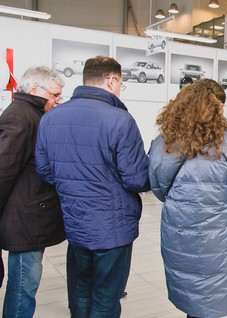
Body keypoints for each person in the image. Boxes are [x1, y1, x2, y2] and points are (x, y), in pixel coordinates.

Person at [35, 56, 150, 317]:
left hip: (75, 223)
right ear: (111, 80)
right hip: (113, 228)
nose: (120, 89)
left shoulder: (51, 118)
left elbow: (43, 170)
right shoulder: (121, 120)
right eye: (121, 83)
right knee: (106, 298)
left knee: (81, 292)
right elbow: (136, 179)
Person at [149, 79, 227, 318]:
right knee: (213, 298)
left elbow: (159, 190)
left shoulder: (163, 142)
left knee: (194, 298)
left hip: (179, 234)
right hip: (219, 239)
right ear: (217, 109)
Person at [0, 66, 67, 318]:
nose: (58, 101)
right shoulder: (21, 117)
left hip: (27, 215)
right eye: (55, 95)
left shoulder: (30, 113)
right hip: (25, 219)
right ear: (36, 90)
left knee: (25, 283)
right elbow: (3, 170)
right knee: (23, 287)